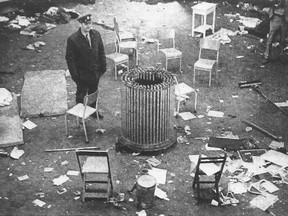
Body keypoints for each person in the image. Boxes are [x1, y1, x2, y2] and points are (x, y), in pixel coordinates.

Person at [66, 14, 106, 118]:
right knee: (81, 94)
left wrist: (103, 67)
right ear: (80, 24)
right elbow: (70, 60)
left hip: (95, 72)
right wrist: (76, 76)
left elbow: (101, 51)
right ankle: (79, 115)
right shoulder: (73, 39)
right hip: (82, 75)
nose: (88, 26)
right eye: (86, 24)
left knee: (93, 92)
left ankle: (92, 111)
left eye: (90, 23)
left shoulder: (96, 34)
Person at [263, 0, 288, 64]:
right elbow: (269, 2)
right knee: (270, 38)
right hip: (275, 17)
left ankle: (281, 55)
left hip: (284, 19)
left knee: (282, 39)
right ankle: (266, 56)